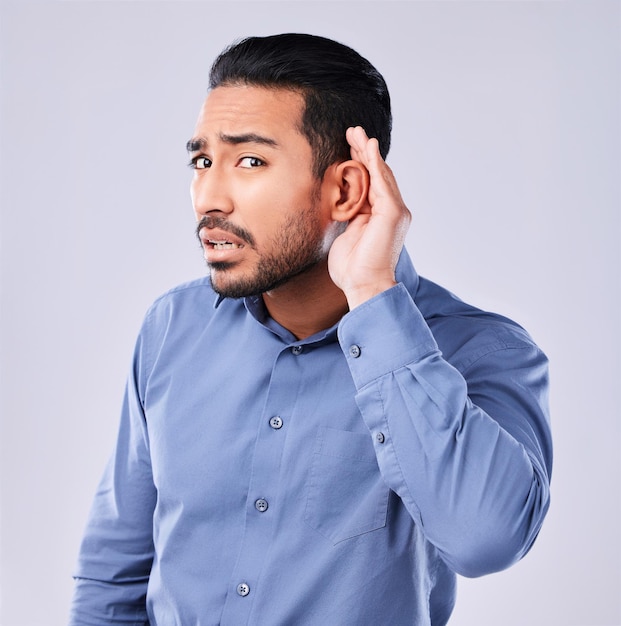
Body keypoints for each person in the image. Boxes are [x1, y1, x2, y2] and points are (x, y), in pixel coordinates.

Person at [69, 33, 552, 625]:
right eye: (202, 161)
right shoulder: (172, 328)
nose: (208, 197)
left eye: (250, 161)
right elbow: (114, 572)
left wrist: (373, 295)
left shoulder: (478, 349)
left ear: (345, 188)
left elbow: (486, 540)